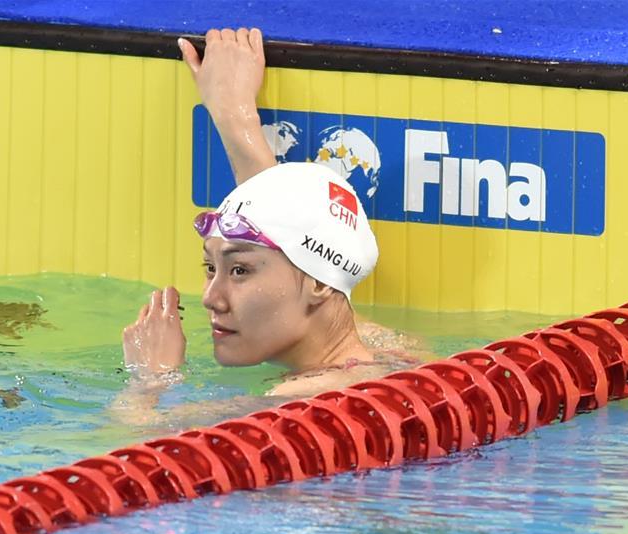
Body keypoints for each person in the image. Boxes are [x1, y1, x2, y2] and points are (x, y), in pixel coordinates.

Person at [119, 28, 418, 410]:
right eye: (210, 268)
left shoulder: (288, 407)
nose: (211, 299)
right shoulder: (393, 353)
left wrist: (149, 380)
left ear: (319, 285)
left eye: (240, 271)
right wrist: (233, 112)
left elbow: (137, 455)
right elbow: (293, 240)